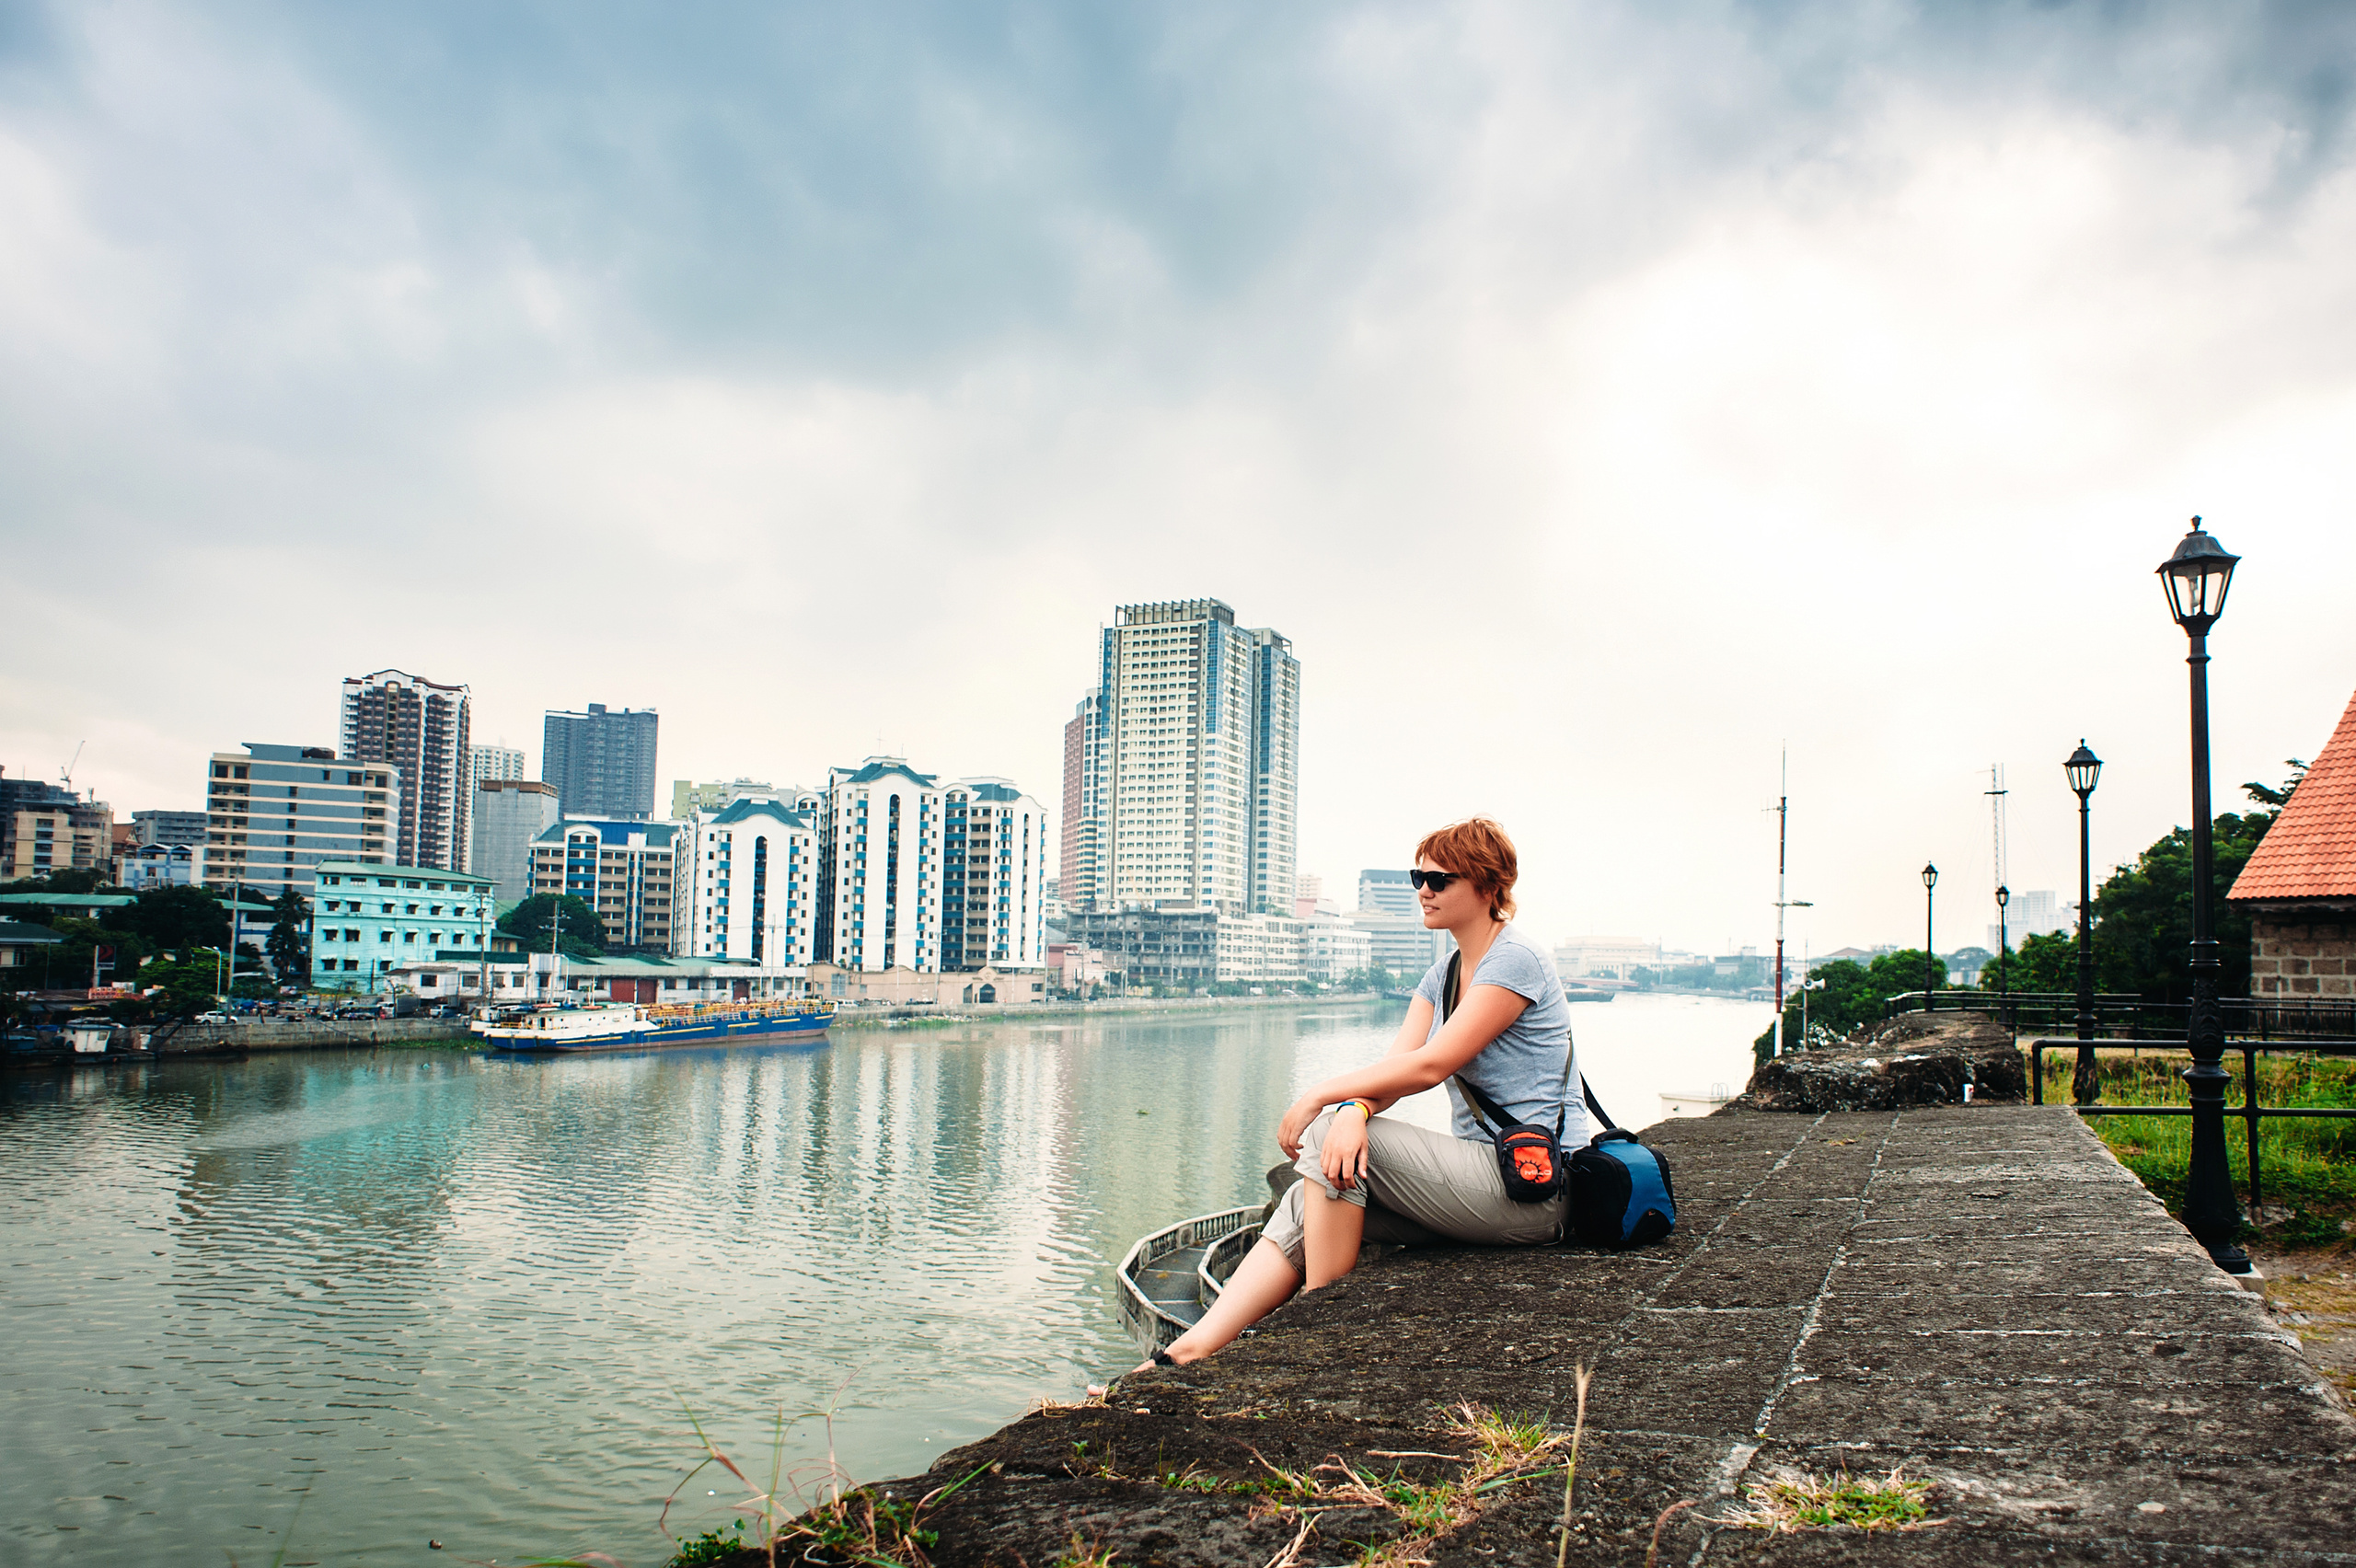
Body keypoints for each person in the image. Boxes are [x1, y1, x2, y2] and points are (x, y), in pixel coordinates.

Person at [1138, 816, 1584, 1371]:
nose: (1423, 890)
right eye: (1417, 876)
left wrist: (1321, 1099)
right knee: (1311, 1194)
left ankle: (1317, 1327)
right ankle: (1188, 1351)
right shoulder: (1443, 973)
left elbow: (1432, 1065)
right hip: (1488, 1183)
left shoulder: (1516, 959)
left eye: (1440, 880)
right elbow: (1396, 1070)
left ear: (1488, 887)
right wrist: (1354, 1109)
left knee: (1327, 1139)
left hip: (1533, 1189)